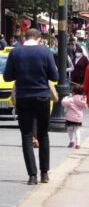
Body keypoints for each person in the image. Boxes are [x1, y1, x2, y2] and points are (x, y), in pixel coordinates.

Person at [3, 29, 59, 185]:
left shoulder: (15, 52)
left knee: (27, 136)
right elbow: (54, 76)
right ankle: (45, 173)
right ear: (39, 38)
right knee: (43, 135)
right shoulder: (45, 52)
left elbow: (7, 76)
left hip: (23, 97)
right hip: (42, 96)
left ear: (24, 38)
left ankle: (32, 176)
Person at [61, 85, 87, 149]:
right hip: (78, 118)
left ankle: (71, 141)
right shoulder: (83, 99)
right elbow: (85, 106)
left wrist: (66, 97)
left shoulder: (71, 99)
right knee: (77, 130)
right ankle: (78, 144)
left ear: (73, 92)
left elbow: (63, 102)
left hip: (70, 118)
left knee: (70, 130)